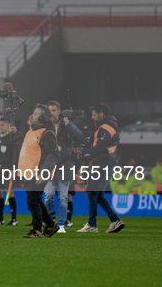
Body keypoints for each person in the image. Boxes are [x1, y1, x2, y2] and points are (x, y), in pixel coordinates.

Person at [73, 103, 125, 233]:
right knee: (98, 195)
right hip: (106, 163)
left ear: (102, 114)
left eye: (94, 114)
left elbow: (101, 146)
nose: (92, 117)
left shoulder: (105, 127)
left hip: (103, 164)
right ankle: (115, 221)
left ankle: (92, 225)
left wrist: (83, 151)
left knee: (91, 192)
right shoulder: (108, 126)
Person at [18, 105, 59, 238]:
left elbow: (53, 155)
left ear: (42, 117)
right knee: (36, 201)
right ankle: (51, 225)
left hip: (37, 172)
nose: (32, 115)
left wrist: (43, 173)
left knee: (32, 202)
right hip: (29, 172)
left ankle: (37, 230)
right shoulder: (32, 131)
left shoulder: (46, 133)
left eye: (36, 114)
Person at [44, 101, 85, 233]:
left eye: (54, 110)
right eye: (50, 110)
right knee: (48, 195)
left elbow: (80, 138)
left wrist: (69, 126)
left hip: (64, 165)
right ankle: (51, 221)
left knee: (62, 197)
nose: (52, 113)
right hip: (49, 165)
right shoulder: (45, 126)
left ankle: (61, 224)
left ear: (59, 112)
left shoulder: (66, 125)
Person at [0, 116, 22, 226]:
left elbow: (14, 156)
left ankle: (14, 219)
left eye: (2, 125)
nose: (0, 127)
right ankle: (0, 218)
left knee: (9, 193)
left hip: (8, 170)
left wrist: (13, 169)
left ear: (8, 126)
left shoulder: (12, 140)